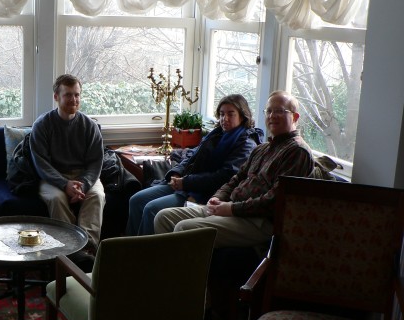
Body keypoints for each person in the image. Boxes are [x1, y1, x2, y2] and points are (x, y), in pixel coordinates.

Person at [153, 90, 314, 250]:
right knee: (163, 217)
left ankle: (184, 275)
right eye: (269, 111)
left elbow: (274, 201)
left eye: (279, 111)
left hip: (259, 221)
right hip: (232, 207)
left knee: (184, 229)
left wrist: (231, 209)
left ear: (295, 117)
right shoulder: (263, 149)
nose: (272, 116)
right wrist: (217, 197)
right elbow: (236, 178)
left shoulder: (297, 151)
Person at [126, 94, 263, 236]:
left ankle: (144, 254)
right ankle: (128, 249)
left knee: (151, 208)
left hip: (203, 192)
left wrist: (186, 182)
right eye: (222, 114)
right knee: (136, 200)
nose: (225, 119)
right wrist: (177, 172)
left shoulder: (247, 144)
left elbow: (224, 177)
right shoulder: (216, 134)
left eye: (230, 114)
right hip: (186, 183)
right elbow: (192, 156)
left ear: (243, 116)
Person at [30, 74, 105, 252]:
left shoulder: (89, 126)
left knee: (97, 196)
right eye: (68, 95)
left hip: (84, 176)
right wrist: (65, 185)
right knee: (57, 199)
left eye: (77, 95)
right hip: (53, 177)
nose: (74, 99)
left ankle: (87, 250)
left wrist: (84, 185)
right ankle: (67, 251)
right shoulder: (42, 125)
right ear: (56, 97)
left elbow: (96, 162)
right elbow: (41, 164)